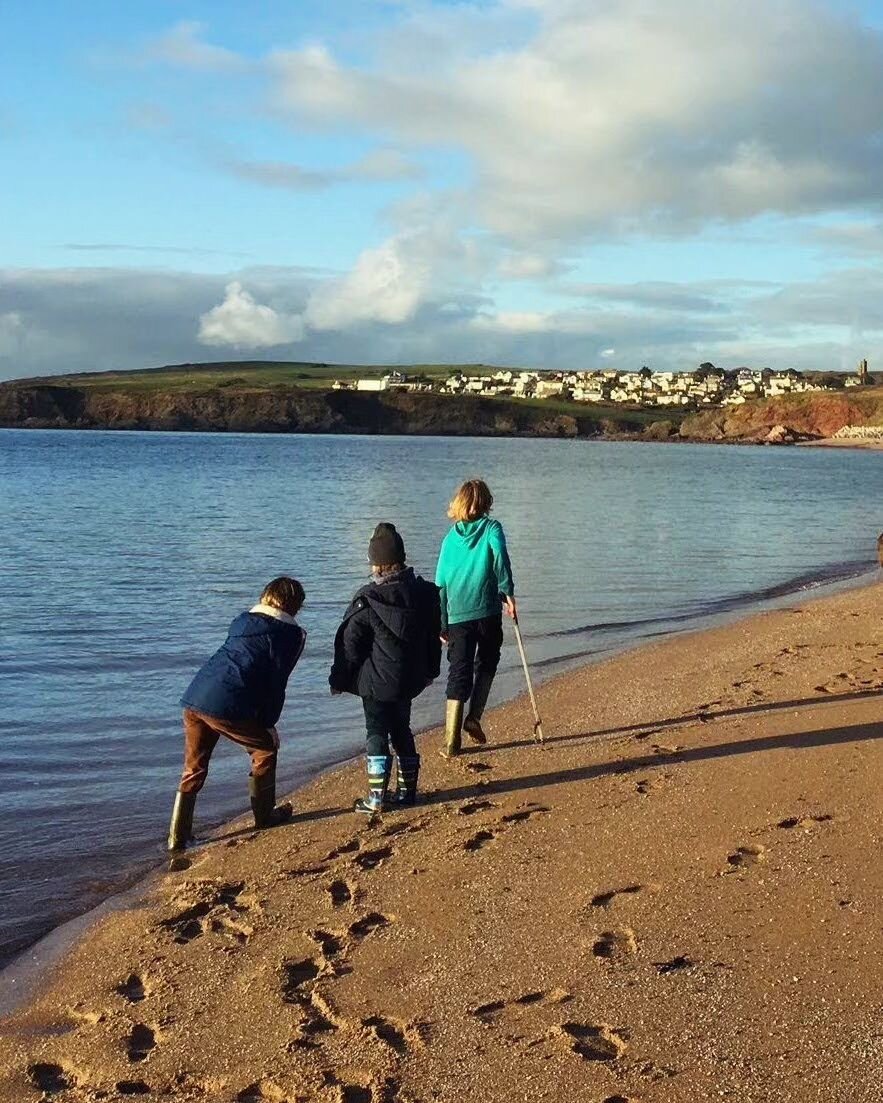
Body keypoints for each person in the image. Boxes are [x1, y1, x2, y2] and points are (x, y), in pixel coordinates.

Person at [167, 576, 307, 852]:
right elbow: (276, 684)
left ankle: (177, 838)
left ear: (266, 596)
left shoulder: (242, 623)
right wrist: (268, 724)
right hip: (225, 706)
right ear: (296, 605)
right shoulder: (290, 635)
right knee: (265, 749)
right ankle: (265, 817)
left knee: (194, 767)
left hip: (195, 698)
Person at [329, 523, 441, 813]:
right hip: (410, 679)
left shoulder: (367, 599)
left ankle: (376, 798)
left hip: (377, 683)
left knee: (376, 730)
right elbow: (434, 638)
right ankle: (407, 793)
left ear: (376, 564)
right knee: (402, 728)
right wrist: (431, 671)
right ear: (401, 559)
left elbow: (349, 647)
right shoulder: (425, 594)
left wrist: (338, 680)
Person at [435, 478, 515, 757]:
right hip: (488, 611)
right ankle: (474, 716)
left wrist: (442, 621)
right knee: (488, 661)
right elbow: (500, 559)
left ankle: (451, 741)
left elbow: (441, 584)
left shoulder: (449, 539)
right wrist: (507, 591)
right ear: (486, 504)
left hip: (458, 615)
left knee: (459, 671)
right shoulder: (493, 528)